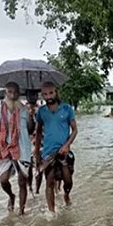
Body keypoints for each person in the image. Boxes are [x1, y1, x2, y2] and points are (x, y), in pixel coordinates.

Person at [0, 82, 35, 215]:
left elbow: (31, 130)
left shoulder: (24, 110)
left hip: (23, 149)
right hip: (5, 150)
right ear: (5, 93)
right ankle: (11, 196)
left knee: (22, 181)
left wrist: (31, 115)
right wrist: (7, 148)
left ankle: (21, 211)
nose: (13, 95)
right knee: (3, 180)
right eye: (10, 92)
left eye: (16, 92)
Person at [34, 81, 78, 213]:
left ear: (56, 92)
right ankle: (52, 212)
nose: (49, 96)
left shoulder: (67, 109)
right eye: (45, 94)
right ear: (42, 96)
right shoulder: (41, 112)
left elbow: (75, 130)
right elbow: (38, 133)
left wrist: (67, 145)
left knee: (68, 180)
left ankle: (66, 195)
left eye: (51, 93)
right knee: (49, 182)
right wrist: (37, 152)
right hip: (48, 152)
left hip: (63, 151)